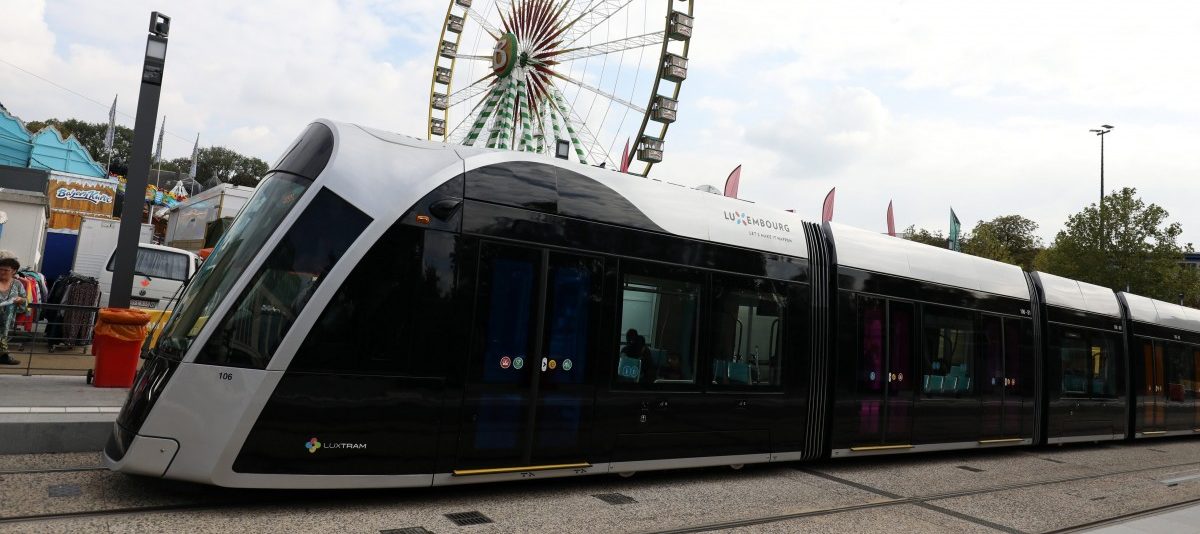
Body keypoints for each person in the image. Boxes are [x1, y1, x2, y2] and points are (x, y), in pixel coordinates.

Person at [0, 257, 28, 365]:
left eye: (6, 270)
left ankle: (3, 356)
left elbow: (25, 301)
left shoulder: (17, 284)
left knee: (2, 337)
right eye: (0, 269)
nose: (2, 272)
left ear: (14, 271)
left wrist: (21, 300)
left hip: (6, 320)